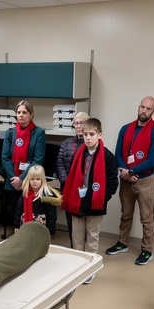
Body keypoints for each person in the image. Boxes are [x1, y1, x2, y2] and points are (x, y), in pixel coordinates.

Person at [106, 96, 154, 266]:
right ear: (138, 107)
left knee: (146, 217)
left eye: (148, 108)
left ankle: (147, 250)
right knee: (125, 214)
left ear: (153, 111)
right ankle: (122, 243)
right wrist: (125, 172)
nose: (144, 111)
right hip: (126, 179)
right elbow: (118, 154)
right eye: (142, 107)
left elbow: (152, 161)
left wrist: (131, 171)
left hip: (145, 181)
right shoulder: (126, 129)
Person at [60, 118, 117, 284]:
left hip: (95, 205)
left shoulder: (107, 156)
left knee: (92, 238)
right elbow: (72, 177)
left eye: (92, 134)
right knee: (77, 237)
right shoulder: (79, 154)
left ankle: (90, 269)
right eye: (85, 134)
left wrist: (102, 198)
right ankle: (78, 266)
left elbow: (113, 181)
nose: (88, 138)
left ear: (100, 135)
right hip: (77, 203)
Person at [1, 100, 48, 233]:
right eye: (18, 112)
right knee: (16, 212)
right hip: (12, 181)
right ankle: (19, 237)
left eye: (24, 112)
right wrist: (15, 179)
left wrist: (22, 178)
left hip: (30, 180)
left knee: (31, 212)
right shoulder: (10, 132)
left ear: (31, 114)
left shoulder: (39, 133)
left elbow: (37, 159)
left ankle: (29, 237)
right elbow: (5, 157)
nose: (21, 115)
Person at [55, 111, 88, 244]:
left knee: (85, 222)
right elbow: (59, 164)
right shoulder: (66, 143)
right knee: (71, 221)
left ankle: (84, 249)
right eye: (76, 123)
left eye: (82, 123)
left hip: (85, 189)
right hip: (68, 188)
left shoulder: (91, 143)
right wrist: (67, 181)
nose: (78, 126)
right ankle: (74, 247)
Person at [14, 164, 61, 232]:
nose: (35, 181)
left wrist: (50, 230)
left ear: (42, 180)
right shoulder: (25, 193)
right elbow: (19, 209)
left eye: (38, 179)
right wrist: (16, 225)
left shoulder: (47, 195)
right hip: (25, 228)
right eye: (32, 179)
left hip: (41, 230)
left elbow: (51, 215)